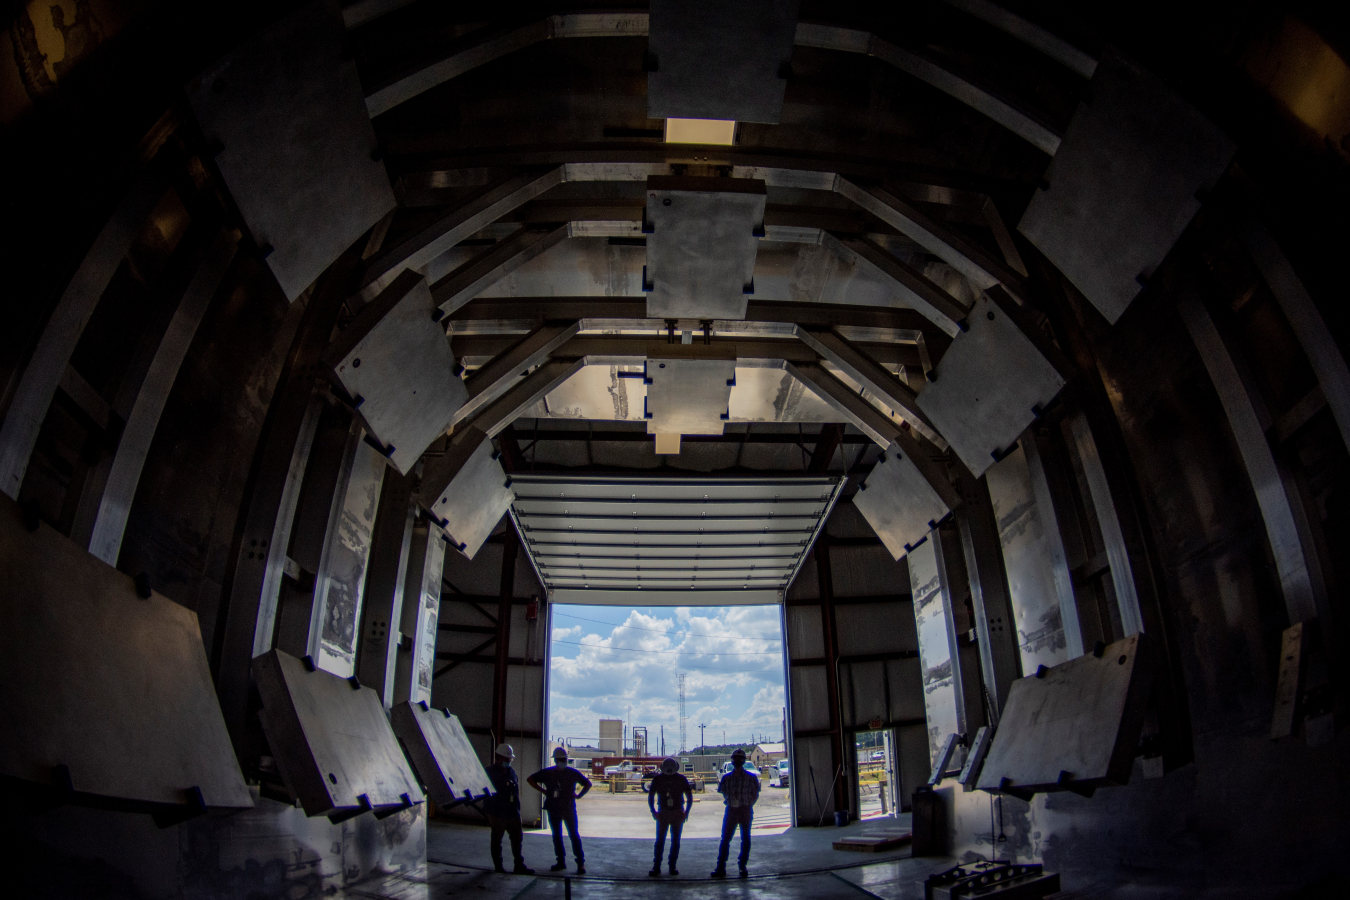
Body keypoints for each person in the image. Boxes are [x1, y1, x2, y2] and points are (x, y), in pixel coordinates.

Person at [528, 746, 592, 874]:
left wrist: (544, 791)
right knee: (565, 836)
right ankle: (570, 863)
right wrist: (578, 795)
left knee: (568, 836)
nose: (562, 761)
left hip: (563, 809)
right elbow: (530, 780)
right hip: (560, 809)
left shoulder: (552, 773)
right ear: (558, 760)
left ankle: (575, 863)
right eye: (561, 759)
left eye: (563, 759)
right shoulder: (567, 773)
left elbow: (531, 780)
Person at [482, 743, 533, 875]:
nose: (508, 762)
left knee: (517, 839)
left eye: (510, 760)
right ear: (498, 758)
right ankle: (498, 866)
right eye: (506, 760)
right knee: (497, 840)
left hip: (512, 812)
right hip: (497, 812)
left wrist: (517, 811)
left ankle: (519, 865)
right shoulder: (489, 772)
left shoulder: (511, 772)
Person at [711, 748, 760, 878]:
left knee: (745, 839)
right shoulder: (726, 778)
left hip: (745, 810)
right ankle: (720, 867)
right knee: (725, 839)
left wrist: (747, 804)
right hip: (731, 810)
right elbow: (723, 792)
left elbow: (755, 794)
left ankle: (742, 867)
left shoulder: (751, 778)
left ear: (744, 761)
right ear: (732, 760)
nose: (738, 761)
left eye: (740, 759)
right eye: (735, 759)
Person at [647, 757, 694, 877]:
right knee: (670, 841)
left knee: (664, 841)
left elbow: (651, 797)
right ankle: (667, 866)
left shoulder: (659, 779)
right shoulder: (680, 779)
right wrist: (686, 812)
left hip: (669, 812)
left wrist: (654, 812)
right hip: (672, 812)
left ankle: (661, 866)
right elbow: (689, 797)